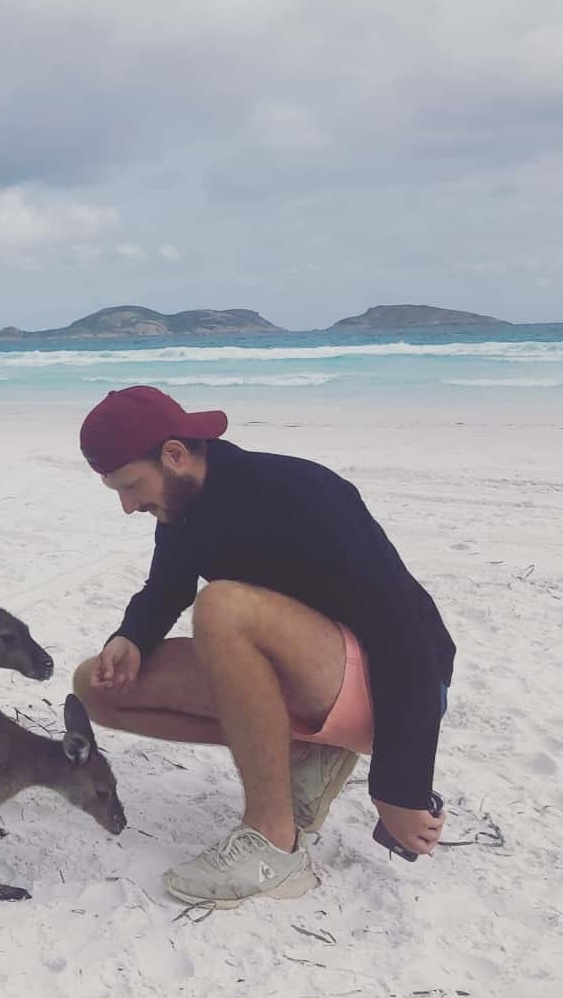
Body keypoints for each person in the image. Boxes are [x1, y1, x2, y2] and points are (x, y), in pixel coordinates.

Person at [72, 385, 454, 907]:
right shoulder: (182, 508)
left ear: (174, 455)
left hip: (393, 685)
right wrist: (131, 637)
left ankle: (275, 843)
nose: (127, 506)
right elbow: (166, 587)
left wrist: (401, 788)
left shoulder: (301, 492)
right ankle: (306, 756)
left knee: (222, 606)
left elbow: (405, 635)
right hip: (308, 681)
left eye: (131, 486)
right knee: (97, 687)